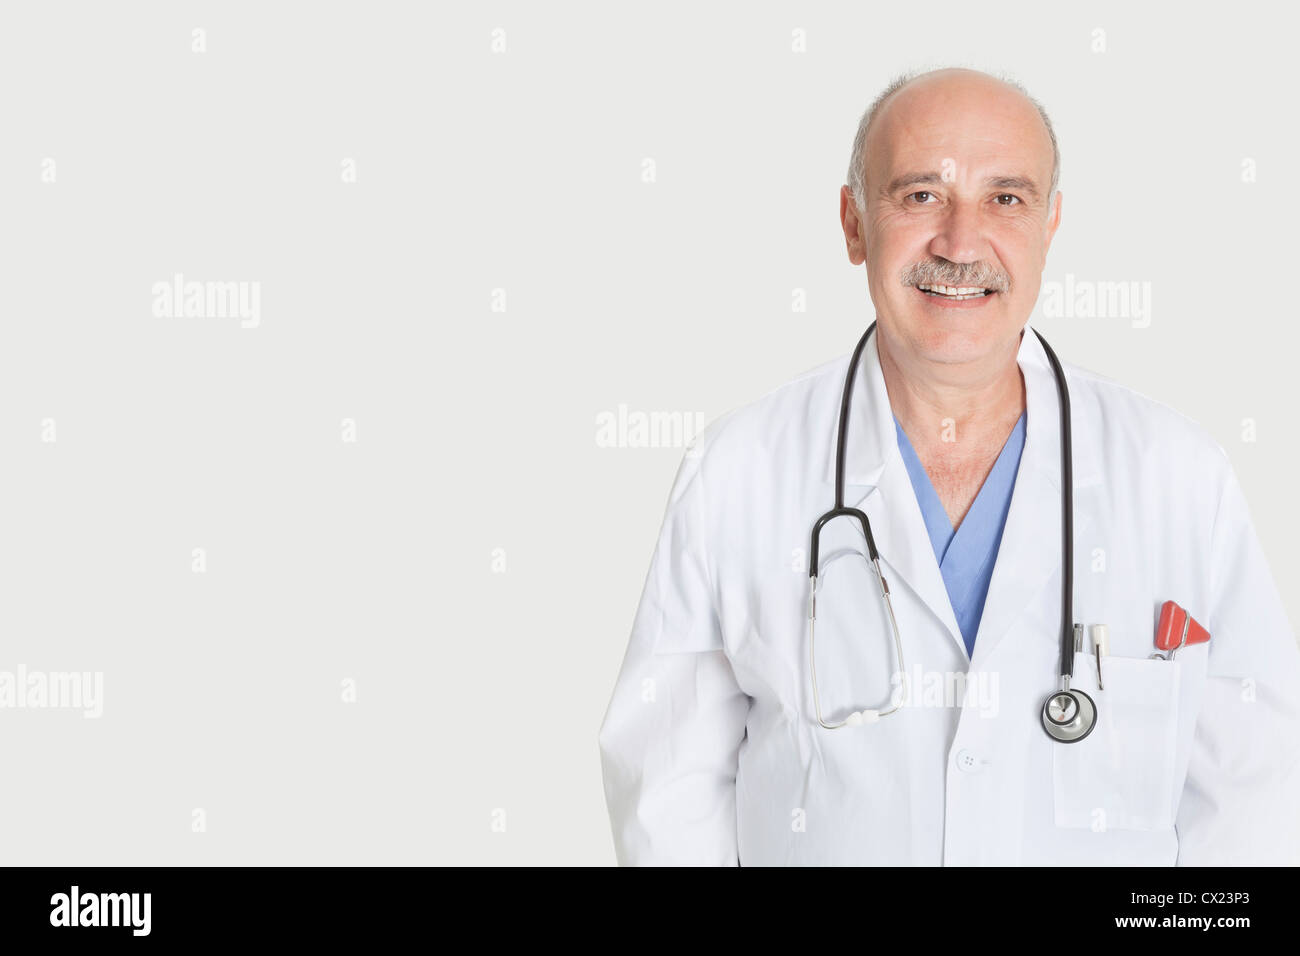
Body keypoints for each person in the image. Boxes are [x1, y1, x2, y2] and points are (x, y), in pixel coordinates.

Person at [597, 67, 1300, 865]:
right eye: (921, 195)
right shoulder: (738, 471)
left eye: (1006, 198)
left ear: (1048, 225)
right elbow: (666, 793)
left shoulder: (1178, 478)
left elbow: (1256, 796)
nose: (961, 245)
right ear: (854, 222)